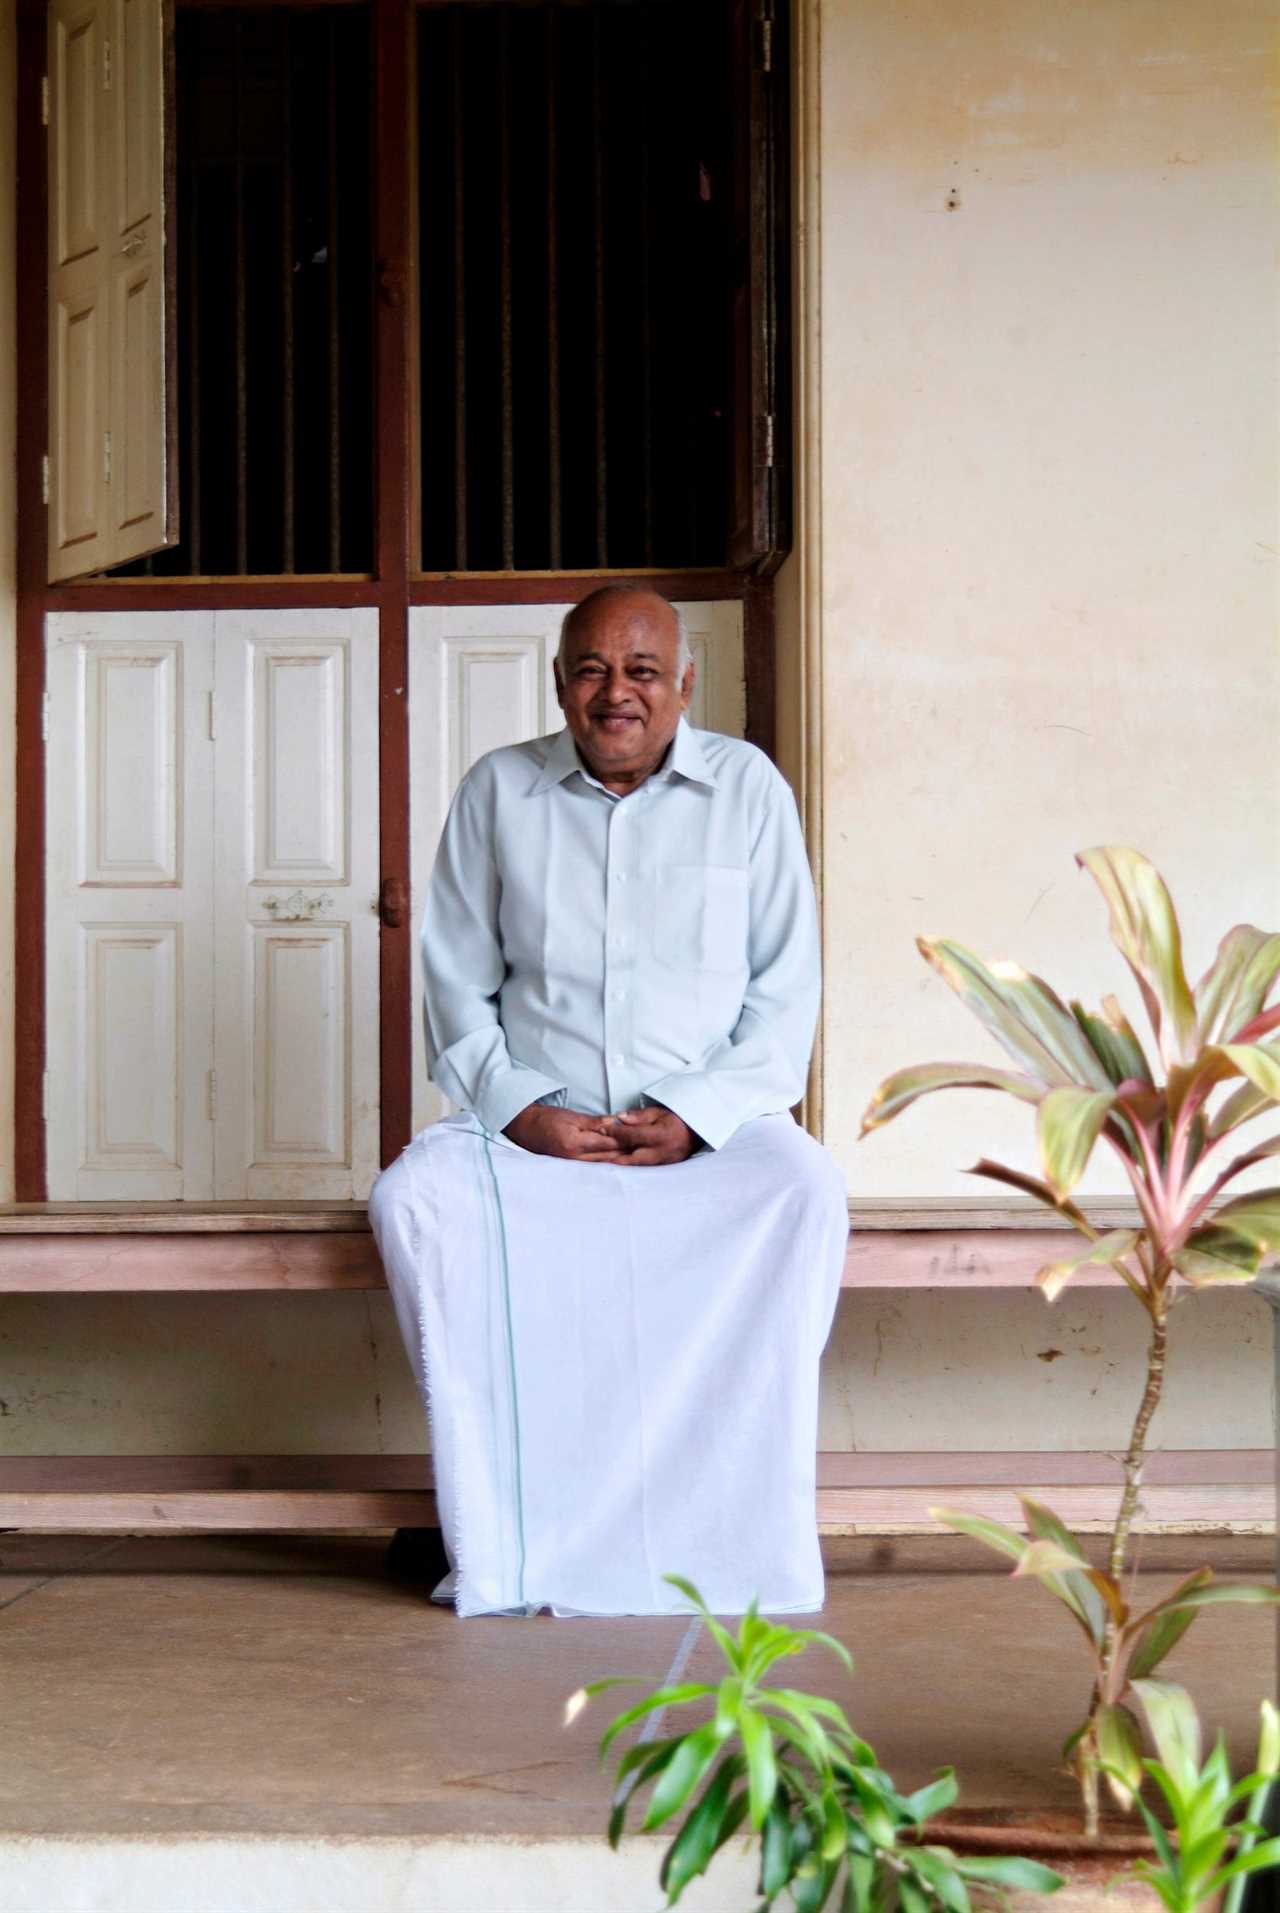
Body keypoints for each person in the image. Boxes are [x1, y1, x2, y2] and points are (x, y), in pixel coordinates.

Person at [369, 585, 847, 1617]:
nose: (614, 691)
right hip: (543, 1141)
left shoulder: (748, 789)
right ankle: (503, 1539)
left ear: (684, 684)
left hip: (705, 1141)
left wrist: (694, 1115)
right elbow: (455, 980)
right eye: (590, 668)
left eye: (640, 669)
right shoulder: (498, 789)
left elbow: (783, 992)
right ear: (558, 684)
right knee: (411, 1200)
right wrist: (523, 1108)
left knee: (804, 1186)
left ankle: (736, 1547)